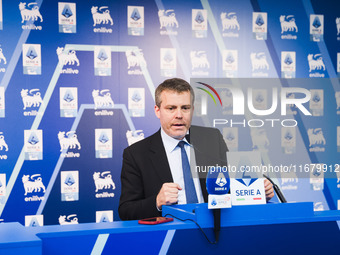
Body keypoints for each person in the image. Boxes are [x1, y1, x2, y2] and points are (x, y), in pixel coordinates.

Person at [119, 78, 274, 220]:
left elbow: (229, 190)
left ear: (192, 110)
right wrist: (157, 202)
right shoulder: (136, 154)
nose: (179, 115)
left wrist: (257, 193)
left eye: (185, 108)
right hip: (168, 238)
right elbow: (126, 211)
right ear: (157, 110)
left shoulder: (212, 139)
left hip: (214, 234)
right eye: (171, 108)